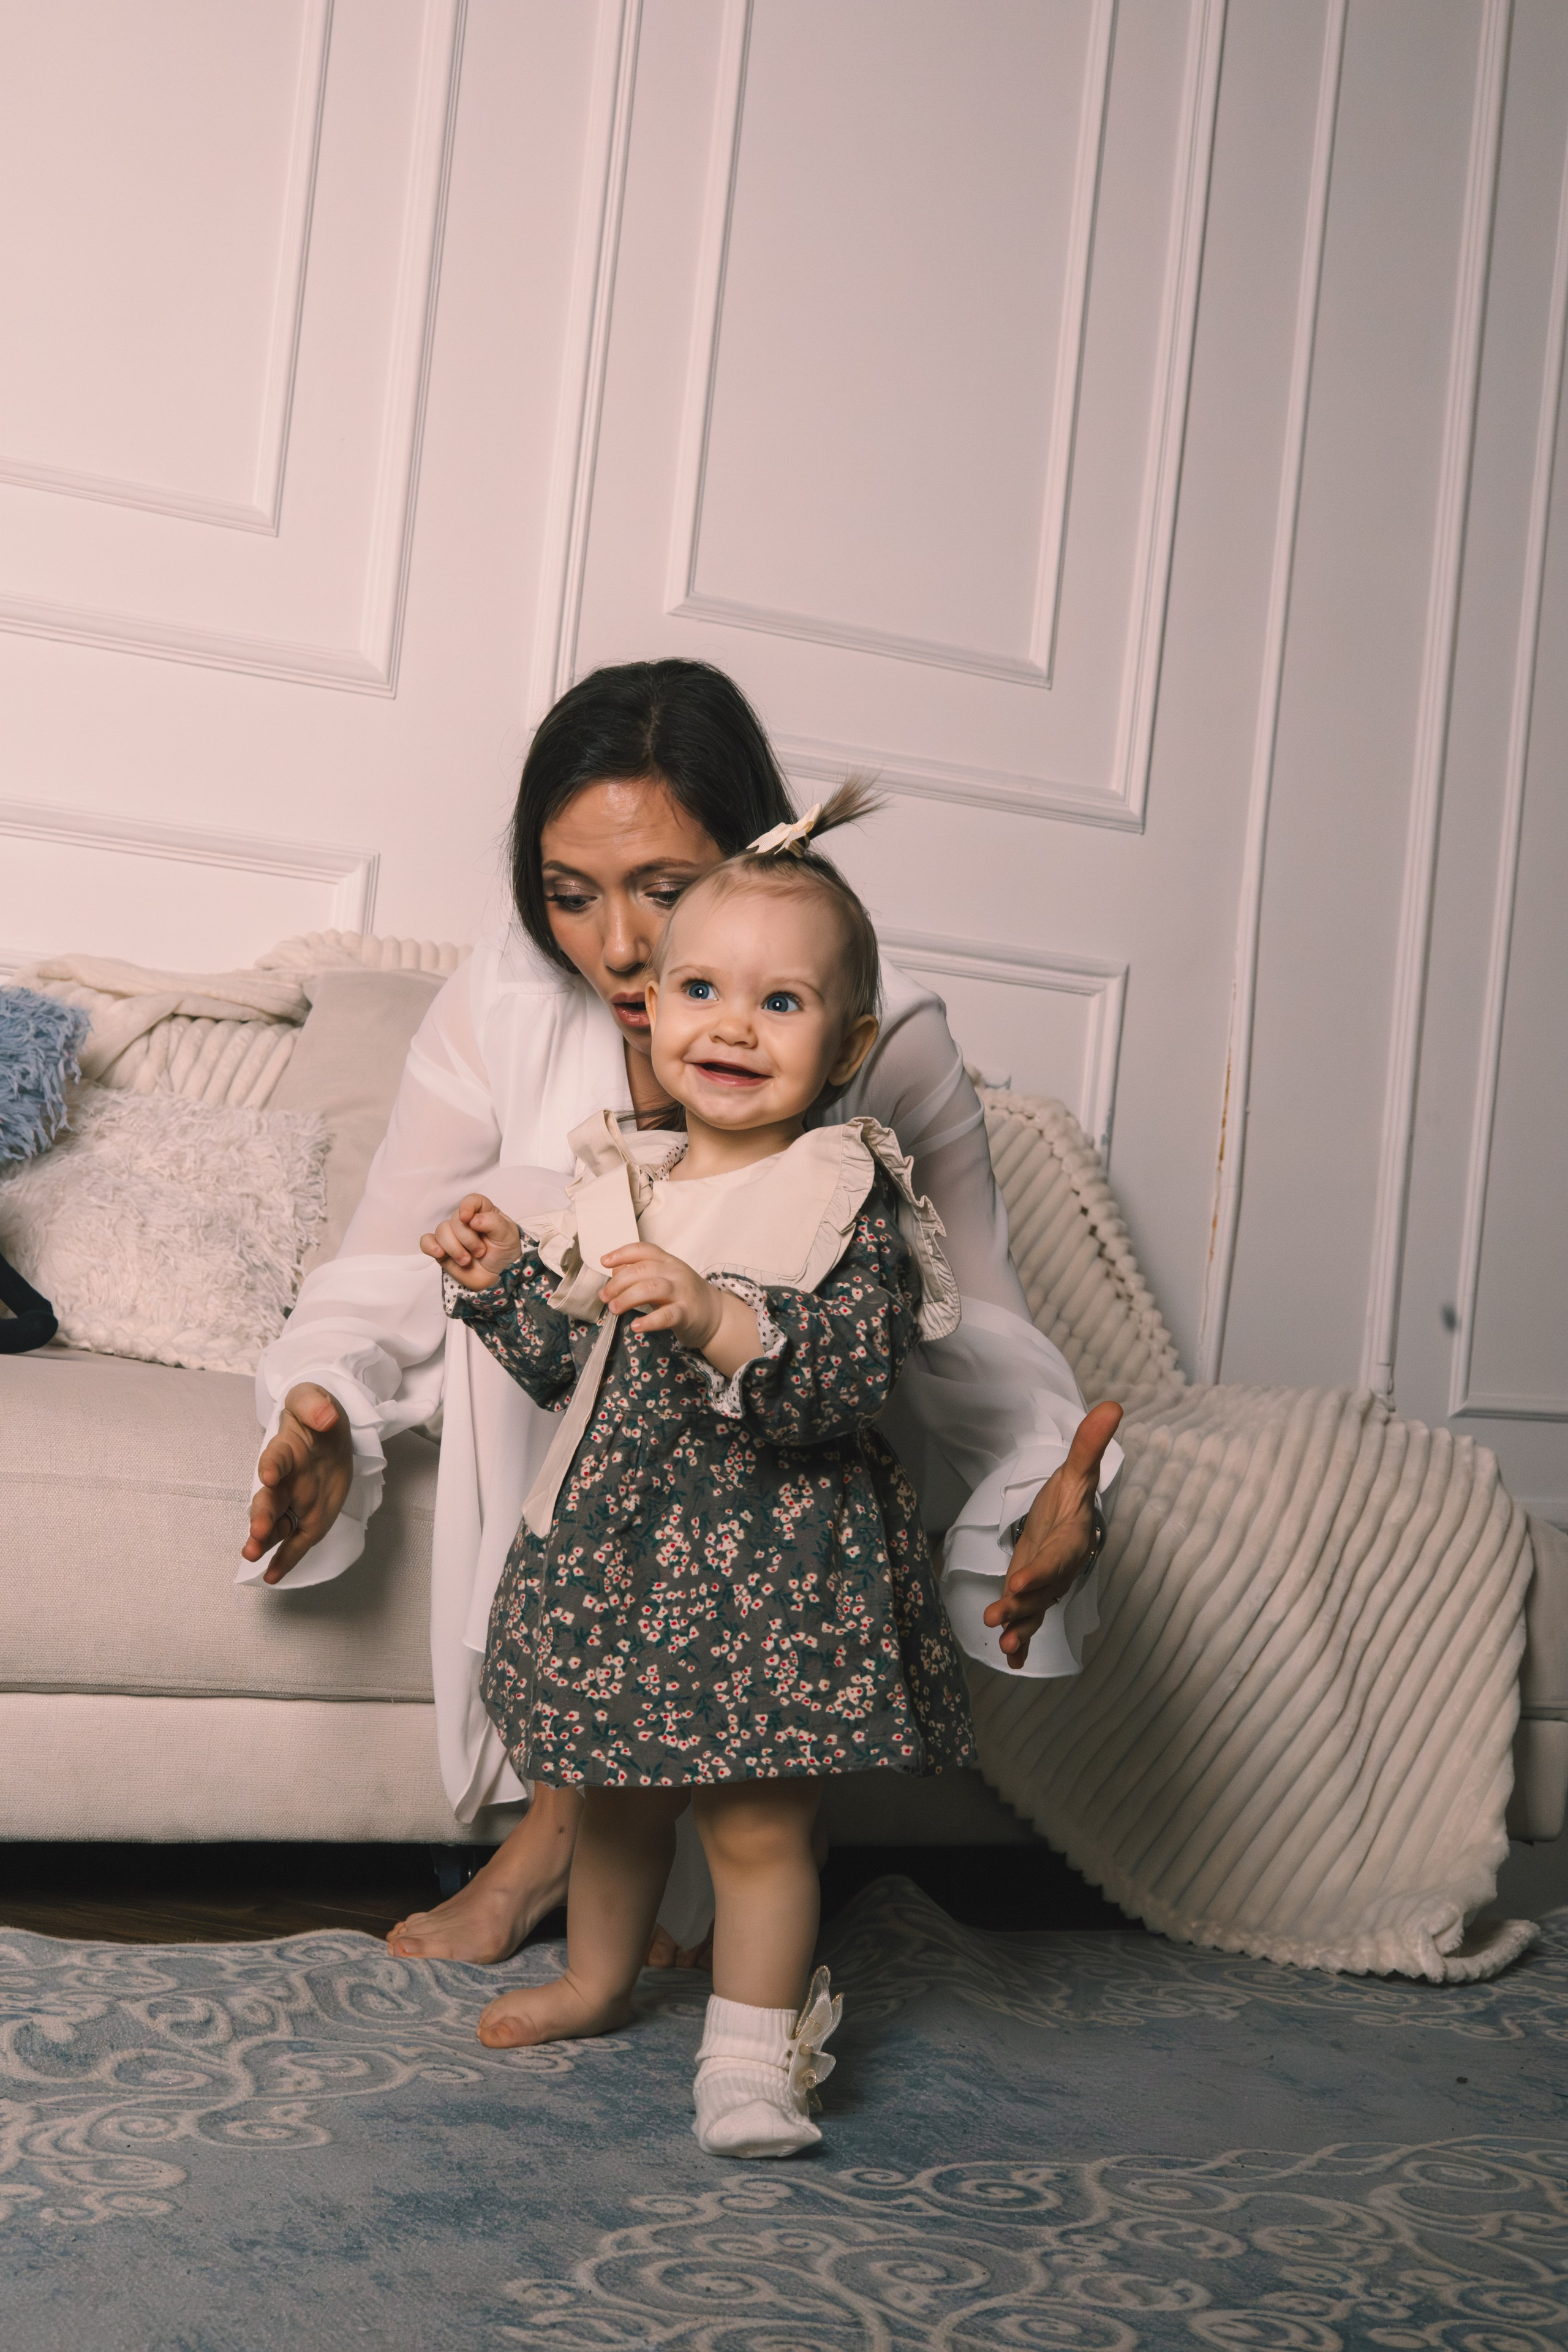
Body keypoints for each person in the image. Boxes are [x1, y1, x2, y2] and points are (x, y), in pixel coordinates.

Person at [242, 658, 1123, 1966]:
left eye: (660, 891)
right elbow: (395, 1256)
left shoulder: (881, 1039)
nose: (615, 949)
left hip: (783, 1482)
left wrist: (1045, 1482)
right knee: (537, 1207)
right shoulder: (502, 998)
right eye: (568, 895)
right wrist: (323, 1402)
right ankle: (554, 1831)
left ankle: (720, 1856)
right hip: (603, 1474)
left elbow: (959, 1318)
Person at [423, 786, 974, 2155]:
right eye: (702, 990)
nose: (731, 1024)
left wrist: (722, 1314)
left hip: (772, 1572)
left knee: (755, 1826)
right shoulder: (625, 1184)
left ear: (845, 1044)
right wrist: (501, 1288)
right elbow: (585, 1379)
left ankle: (748, 2058)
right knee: (612, 1795)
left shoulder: (839, 1197)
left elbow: (846, 1381)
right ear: (653, 1011)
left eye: (778, 1005)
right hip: (624, 1557)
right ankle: (597, 1977)